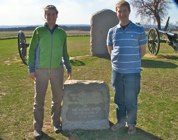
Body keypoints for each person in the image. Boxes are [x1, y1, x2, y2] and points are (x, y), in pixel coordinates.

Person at [28, 5, 72, 139]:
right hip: (40, 70)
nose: (51, 16)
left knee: (57, 99)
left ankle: (56, 123)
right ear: (45, 16)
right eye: (48, 14)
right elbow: (31, 50)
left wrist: (69, 67)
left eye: (53, 14)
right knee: (38, 101)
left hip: (57, 70)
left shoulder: (61, 33)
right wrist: (31, 69)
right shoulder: (38, 31)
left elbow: (64, 52)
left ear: (57, 15)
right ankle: (37, 129)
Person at [106, 0, 146, 135]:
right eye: (119, 11)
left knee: (131, 100)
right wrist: (118, 62)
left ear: (129, 11)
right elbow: (110, 49)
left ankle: (132, 124)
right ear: (116, 13)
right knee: (119, 99)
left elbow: (142, 51)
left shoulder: (139, 30)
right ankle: (121, 121)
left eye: (124, 11)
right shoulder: (111, 31)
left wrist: (131, 62)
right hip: (117, 71)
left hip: (132, 72)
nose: (122, 14)